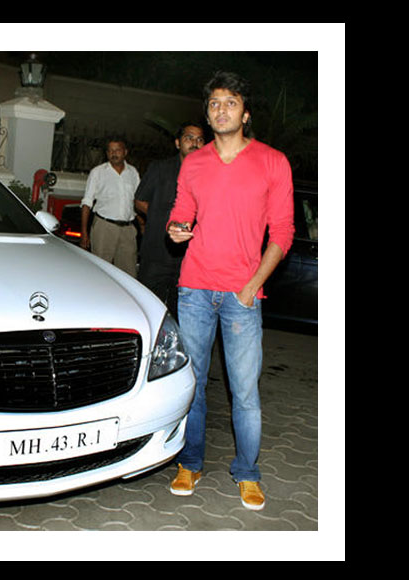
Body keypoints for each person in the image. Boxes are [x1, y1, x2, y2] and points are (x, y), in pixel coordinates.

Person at [166, 71, 294, 511]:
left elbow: (283, 232)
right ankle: (191, 461)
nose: (222, 109)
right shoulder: (194, 162)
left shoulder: (272, 162)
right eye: (214, 103)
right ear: (207, 113)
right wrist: (175, 228)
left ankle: (248, 471)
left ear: (245, 112)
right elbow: (182, 213)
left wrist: (252, 286)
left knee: (245, 392)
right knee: (193, 383)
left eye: (230, 102)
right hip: (195, 289)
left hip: (242, 294)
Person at [134, 122, 205, 319]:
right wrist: (160, 217)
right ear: (177, 143)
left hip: (189, 259)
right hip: (157, 252)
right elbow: (139, 201)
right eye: (189, 138)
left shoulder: (208, 175)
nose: (194, 143)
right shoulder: (160, 168)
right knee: (148, 309)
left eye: (199, 139)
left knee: (181, 313)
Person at [79, 139, 140, 277]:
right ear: (107, 153)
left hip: (127, 230)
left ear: (125, 152)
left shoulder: (133, 172)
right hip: (104, 228)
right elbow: (87, 202)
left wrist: (141, 224)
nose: (114, 153)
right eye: (110, 150)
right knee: (101, 272)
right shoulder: (98, 172)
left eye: (117, 150)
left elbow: (138, 200)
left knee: (128, 274)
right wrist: (84, 232)